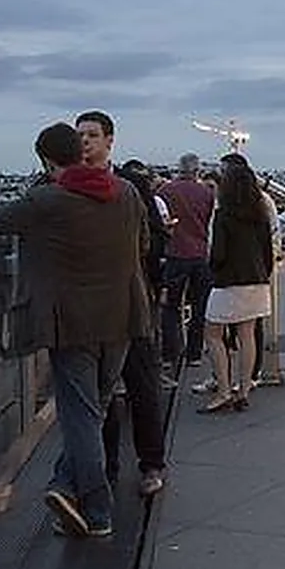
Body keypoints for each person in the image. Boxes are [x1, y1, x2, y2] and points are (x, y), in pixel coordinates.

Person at [0, 122, 151, 537]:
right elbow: (143, 244)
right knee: (95, 408)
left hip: (71, 323)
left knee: (82, 415)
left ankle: (97, 510)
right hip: (123, 317)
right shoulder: (126, 192)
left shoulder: (47, 200)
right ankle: (64, 485)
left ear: (48, 160)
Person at [106, 157, 172, 497]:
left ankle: (149, 464)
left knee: (139, 386)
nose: (85, 143)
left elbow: (154, 242)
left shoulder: (129, 188)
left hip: (132, 302)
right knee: (108, 394)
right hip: (107, 307)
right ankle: (110, 469)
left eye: (91, 135)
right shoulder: (65, 186)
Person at [197, 156, 274, 414]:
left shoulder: (223, 215)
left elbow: (218, 253)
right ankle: (244, 389)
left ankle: (223, 390)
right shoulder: (260, 214)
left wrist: (213, 269)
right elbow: (267, 252)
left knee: (213, 333)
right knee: (247, 335)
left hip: (228, 282)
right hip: (257, 281)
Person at [159, 153, 216, 372]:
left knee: (171, 307)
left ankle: (170, 354)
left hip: (174, 253)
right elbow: (209, 221)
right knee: (200, 307)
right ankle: (194, 354)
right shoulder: (207, 193)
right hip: (200, 255)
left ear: (179, 169)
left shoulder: (165, 190)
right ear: (197, 170)